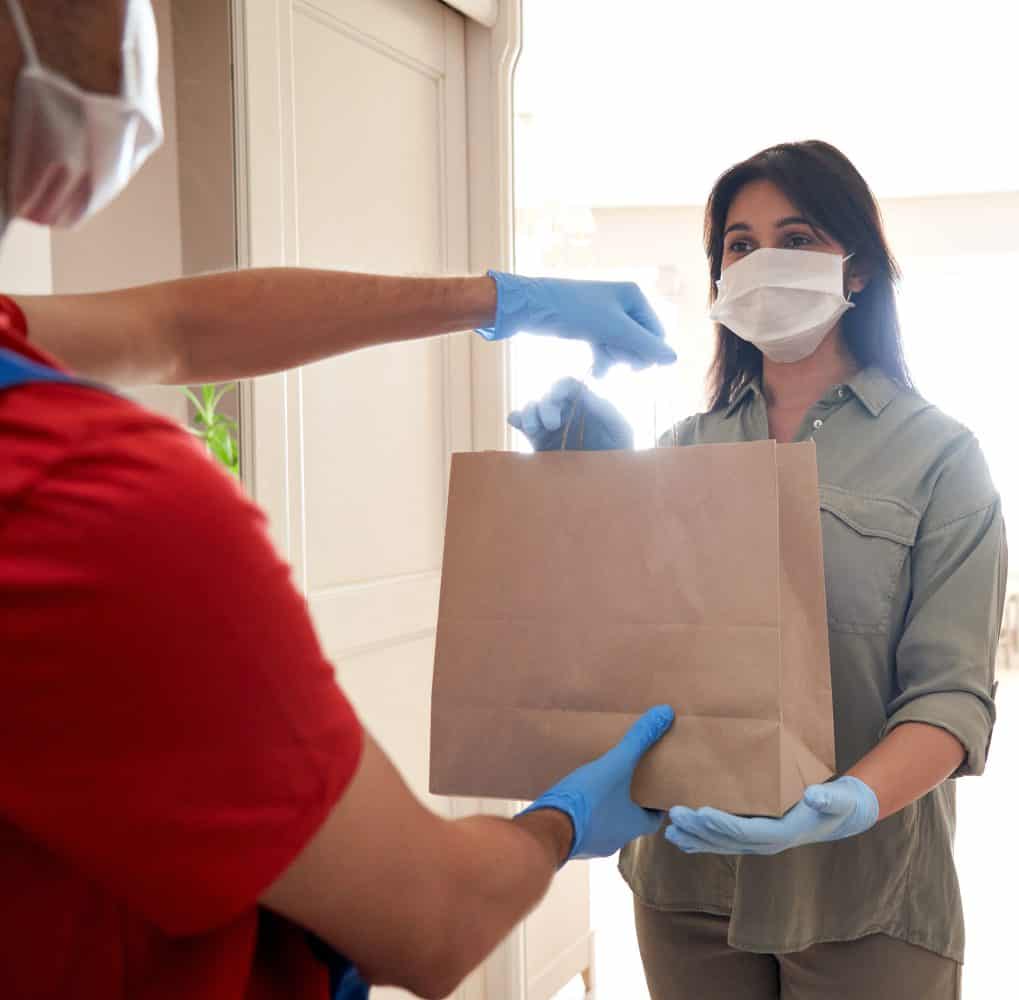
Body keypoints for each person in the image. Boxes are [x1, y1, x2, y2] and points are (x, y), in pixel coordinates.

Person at [0, 1, 678, 997]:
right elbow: (436, 921)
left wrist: (492, 298)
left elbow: (177, 328)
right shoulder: (90, 504)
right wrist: (563, 820)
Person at [511, 140, 1008, 999]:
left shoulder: (941, 460)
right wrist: (589, 480)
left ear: (856, 272)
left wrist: (846, 801)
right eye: (740, 244)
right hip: (687, 883)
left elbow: (952, 698)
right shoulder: (684, 449)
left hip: (866, 889)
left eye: (798, 236)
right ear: (718, 281)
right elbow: (622, 644)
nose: (762, 260)